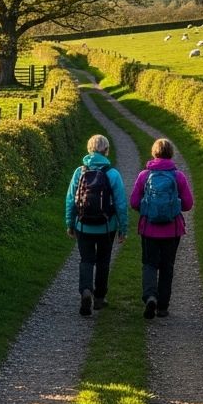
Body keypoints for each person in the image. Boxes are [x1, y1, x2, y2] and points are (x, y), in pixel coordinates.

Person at [129, 137, 194, 319]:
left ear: (154, 153)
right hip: (172, 230)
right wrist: (173, 205)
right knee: (167, 267)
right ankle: (163, 307)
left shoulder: (144, 176)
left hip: (149, 229)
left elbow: (134, 202)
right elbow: (188, 204)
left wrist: (148, 208)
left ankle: (150, 296)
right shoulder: (178, 176)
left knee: (149, 264)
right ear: (171, 154)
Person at [65, 134, 128, 316]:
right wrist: (123, 229)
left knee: (86, 260)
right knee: (103, 261)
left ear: (89, 150)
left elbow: (70, 200)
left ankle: (86, 291)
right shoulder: (112, 174)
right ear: (106, 151)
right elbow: (121, 204)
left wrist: (70, 223)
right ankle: (99, 298)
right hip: (107, 226)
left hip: (83, 226)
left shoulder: (79, 172)